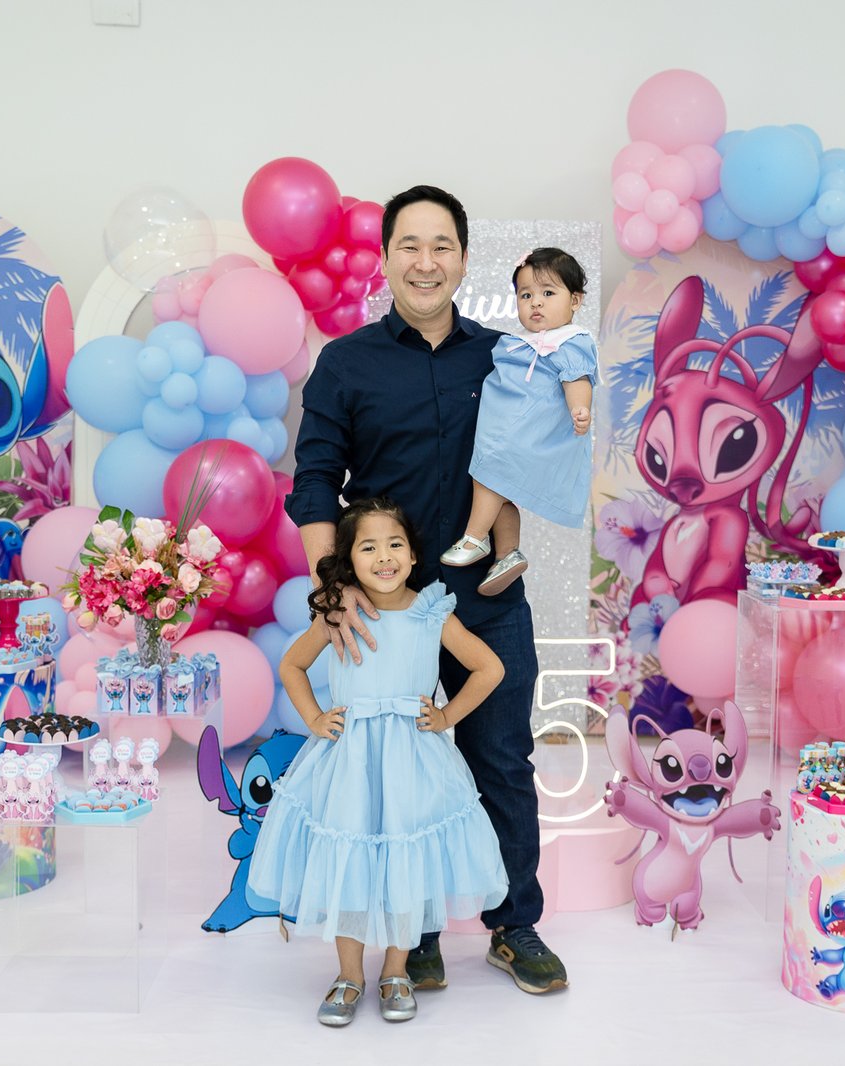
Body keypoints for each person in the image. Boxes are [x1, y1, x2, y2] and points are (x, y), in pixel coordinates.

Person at [286, 184, 568, 995]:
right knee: (391, 777)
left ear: (464, 259)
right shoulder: (345, 364)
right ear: (384, 259)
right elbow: (314, 481)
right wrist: (333, 588)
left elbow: (537, 459)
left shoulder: (507, 358)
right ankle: (414, 934)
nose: (425, 261)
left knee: (502, 760)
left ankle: (514, 925)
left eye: (442, 245)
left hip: (484, 601)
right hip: (387, 610)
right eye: (409, 245)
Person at [249, 498, 509, 1027]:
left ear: (413, 556)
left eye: (395, 545)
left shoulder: (431, 612)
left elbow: (489, 668)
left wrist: (446, 715)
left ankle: (396, 971)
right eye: (368, 547)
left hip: (412, 761)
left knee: (403, 861)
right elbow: (293, 665)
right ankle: (349, 975)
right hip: (350, 761)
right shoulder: (339, 612)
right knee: (349, 860)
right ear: (349, 559)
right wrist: (315, 718)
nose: (384, 557)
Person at [440, 247, 597, 594]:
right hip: (505, 429)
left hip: (523, 433)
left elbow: (577, 378)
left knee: (489, 475)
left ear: (575, 300)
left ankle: (475, 537)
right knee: (500, 491)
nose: (535, 302)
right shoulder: (519, 343)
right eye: (526, 295)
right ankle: (507, 554)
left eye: (548, 293)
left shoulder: (569, 341)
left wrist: (580, 409)